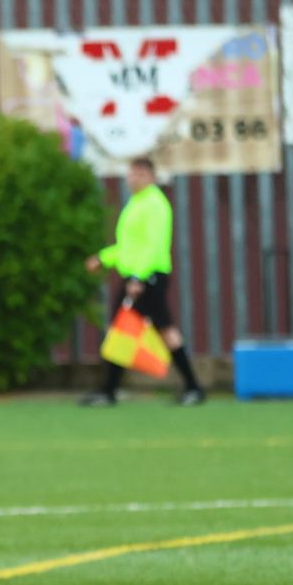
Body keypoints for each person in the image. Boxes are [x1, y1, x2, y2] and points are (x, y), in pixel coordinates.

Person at [81, 156, 206, 406]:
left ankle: (192, 387)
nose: (132, 178)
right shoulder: (135, 204)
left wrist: (140, 277)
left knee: (158, 329)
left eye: (138, 174)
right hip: (136, 276)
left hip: (148, 276)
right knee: (130, 328)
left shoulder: (155, 204)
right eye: (130, 174)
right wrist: (103, 258)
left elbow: (153, 245)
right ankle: (110, 390)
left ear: (150, 176)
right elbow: (129, 247)